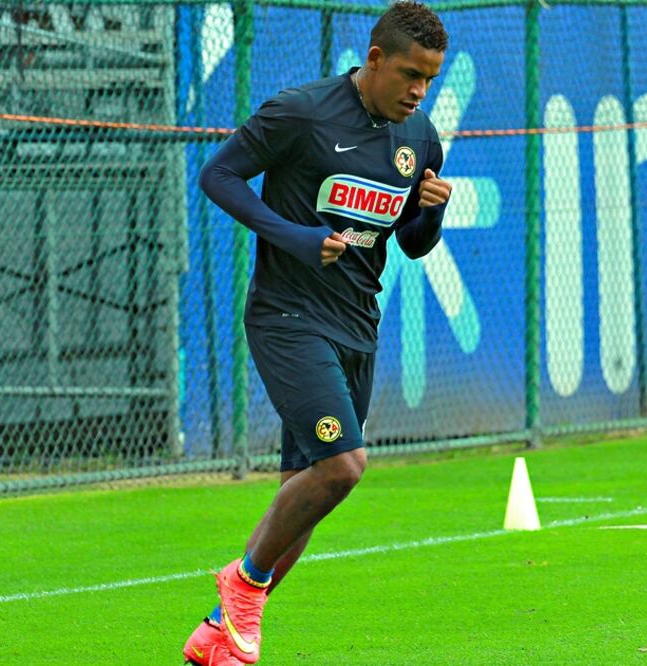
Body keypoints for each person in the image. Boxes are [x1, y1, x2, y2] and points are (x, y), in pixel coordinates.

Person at [184, 3, 451, 663]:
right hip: (287, 316)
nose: (418, 90)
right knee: (342, 466)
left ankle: (219, 634)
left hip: (357, 324)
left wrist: (430, 216)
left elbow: (410, 246)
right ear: (375, 58)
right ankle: (243, 584)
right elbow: (217, 174)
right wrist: (297, 238)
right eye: (410, 74)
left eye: (430, 79)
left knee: (302, 496)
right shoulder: (302, 113)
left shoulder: (418, 136)